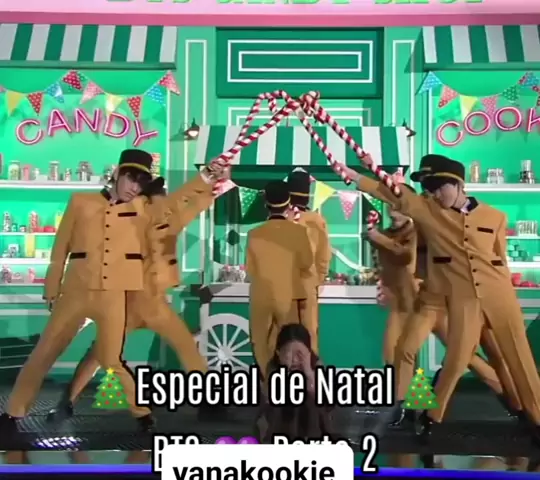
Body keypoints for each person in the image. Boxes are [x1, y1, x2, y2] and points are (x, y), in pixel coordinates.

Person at [0, 149, 227, 434]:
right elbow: (60, 247)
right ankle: (14, 413)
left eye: (141, 183)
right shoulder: (81, 202)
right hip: (75, 293)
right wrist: (51, 286)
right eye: (131, 179)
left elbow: (177, 203)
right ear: (118, 173)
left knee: (109, 358)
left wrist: (205, 178)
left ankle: (141, 413)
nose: (134, 188)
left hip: (115, 296)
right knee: (44, 353)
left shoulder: (143, 210)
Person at [345, 155, 540, 444]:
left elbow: (500, 259)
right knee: (457, 359)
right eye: (429, 188)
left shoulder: (496, 217)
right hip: (460, 300)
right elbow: (396, 196)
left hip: (500, 297)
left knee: (520, 358)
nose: (435, 194)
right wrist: (357, 177)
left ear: (458, 184)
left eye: (439, 187)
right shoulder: (428, 212)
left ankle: (534, 418)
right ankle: (431, 417)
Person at [46, 175, 218, 420]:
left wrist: (211, 189)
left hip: (152, 305)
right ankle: (67, 401)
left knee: (186, 347)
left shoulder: (167, 222)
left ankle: (208, 400)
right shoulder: (133, 222)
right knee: (101, 353)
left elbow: (193, 206)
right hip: (128, 304)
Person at [246, 180, 314, 375]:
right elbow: (307, 262)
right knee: (290, 341)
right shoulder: (299, 232)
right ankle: (289, 381)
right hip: (289, 295)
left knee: (260, 342)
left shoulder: (253, 234)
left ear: (265, 203)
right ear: (288, 203)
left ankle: (268, 381)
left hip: (261, 296)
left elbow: (250, 268)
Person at [366, 185, 418, 367]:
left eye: (398, 206)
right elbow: (381, 264)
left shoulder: (415, 232)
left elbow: (406, 256)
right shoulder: (386, 233)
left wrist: (379, 239)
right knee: (391, 351)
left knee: (405, 350)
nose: (393, 212)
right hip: (395, 299)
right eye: (390, 205)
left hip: (412, 298)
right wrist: (382, 286)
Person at [255, 323, 333, 443]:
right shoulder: (273, 369)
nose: (294, 360)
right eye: (288, 354)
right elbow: (270, 401)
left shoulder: (317, 368)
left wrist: (308, 373)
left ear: (309, 352)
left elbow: (327, 405)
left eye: (299, 354)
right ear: (278, 353)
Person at [286, 170, 331, 353]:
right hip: (308, 282)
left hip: (284, 283)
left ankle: (286, 367)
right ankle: (309, 366)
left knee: (286, 331)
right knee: (309, 331)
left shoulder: (282, 219)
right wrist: (317, 280)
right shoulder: (317, 220)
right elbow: (323, 255)